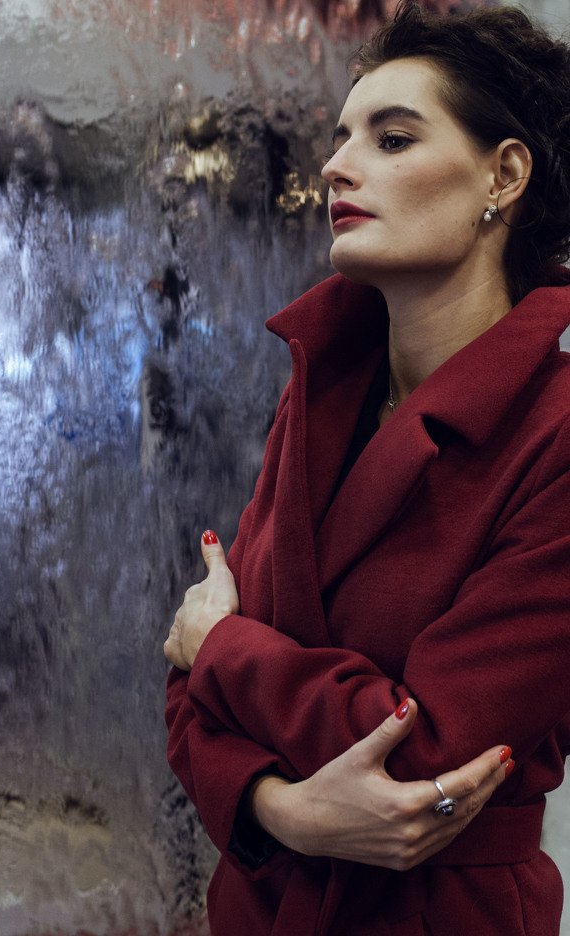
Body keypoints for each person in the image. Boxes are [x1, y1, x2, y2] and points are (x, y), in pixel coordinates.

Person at [164, 4, 570, 934]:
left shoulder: (556, 435)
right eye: (340, 138)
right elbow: (184, 699)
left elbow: (427, 753)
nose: (337, 167)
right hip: (259, 903)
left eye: (391, 139)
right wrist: (279, 811)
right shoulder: (322, 389)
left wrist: (224, 648)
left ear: (504, 176)